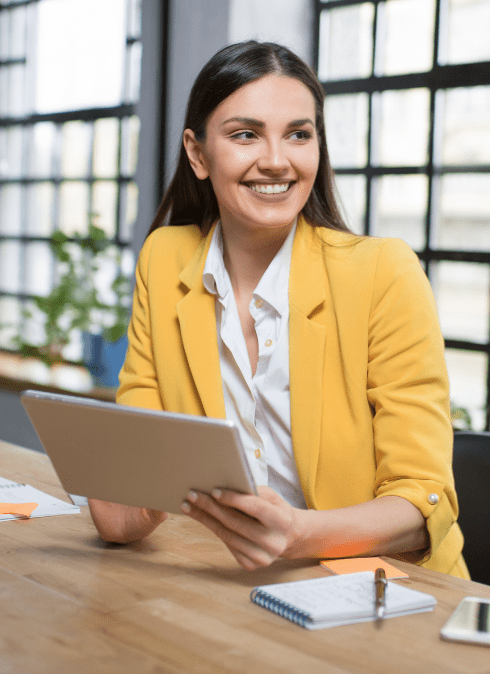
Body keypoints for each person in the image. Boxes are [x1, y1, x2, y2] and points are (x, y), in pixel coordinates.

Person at [88, 41, 469, 578]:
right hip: (240, 587)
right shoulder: (164, 259)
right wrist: (142, 486)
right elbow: (122, 508)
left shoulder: (383, 273)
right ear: (198, 154)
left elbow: (423, 500)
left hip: (393, 592)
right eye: (245, 134)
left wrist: (298, 535)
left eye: (298, 134)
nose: (276, 159)